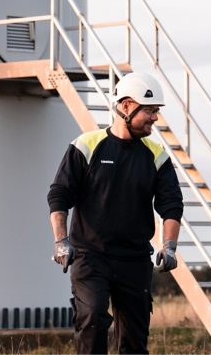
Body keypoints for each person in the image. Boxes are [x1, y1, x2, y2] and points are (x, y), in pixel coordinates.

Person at [47, 72, 183, 354]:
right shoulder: (86, 146)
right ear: (125, 107)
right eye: (150, 110)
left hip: (134, 259)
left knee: (134, 340)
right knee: (93, 317)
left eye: (156, 111)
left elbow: (171, 204)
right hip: (90, 256)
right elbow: (59, 195)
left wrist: (169, 246)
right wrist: (61, 241)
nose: (155, 118)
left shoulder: (157, 155)